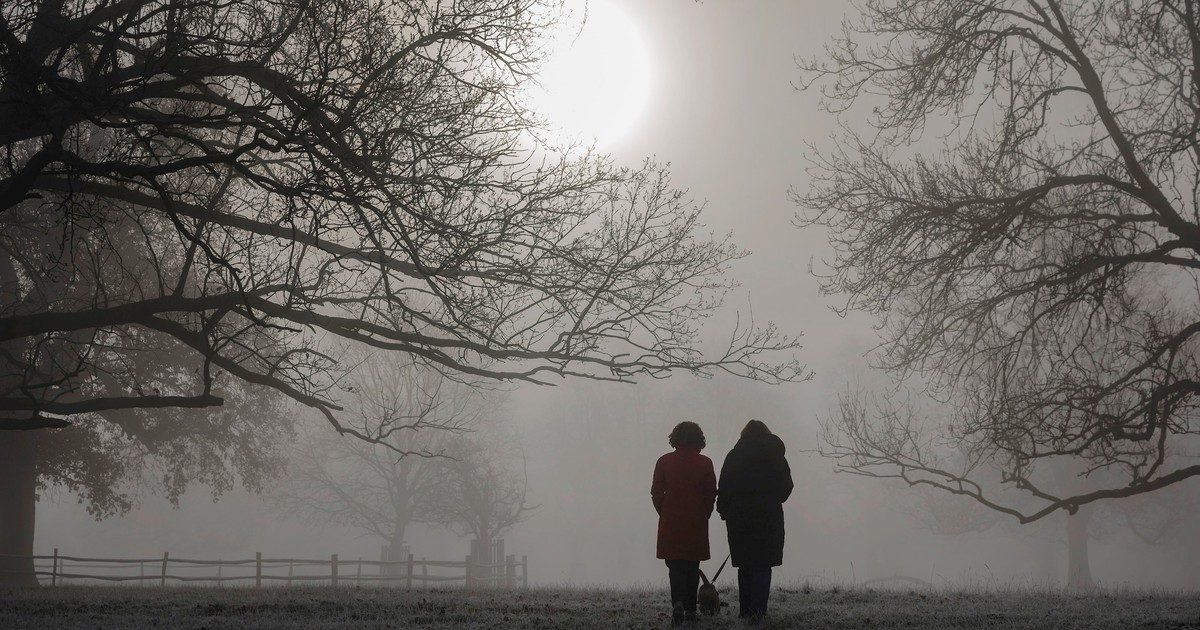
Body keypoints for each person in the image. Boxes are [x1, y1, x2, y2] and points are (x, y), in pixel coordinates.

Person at [717, 419, 793, 622]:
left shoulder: (734, 456)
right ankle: (759, 611)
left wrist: (724, 511)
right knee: (763, 564)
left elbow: (723, 487)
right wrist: (773, 500)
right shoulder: (776, 456)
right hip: (768, 516)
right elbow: (787, 486)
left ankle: (745, 610)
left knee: (745, 565)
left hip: (739, 517)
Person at [651, 421, 717, 626]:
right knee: (692, 564)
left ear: (675, 438)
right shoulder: (705, 463)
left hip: (671, 521)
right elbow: (710, 494)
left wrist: (665, 510)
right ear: (699, 439)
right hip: (696, 521)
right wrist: (703, 513)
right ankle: (690, 608)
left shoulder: (664, 461)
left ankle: (678, 603)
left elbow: (655, 492)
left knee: (674, 565)